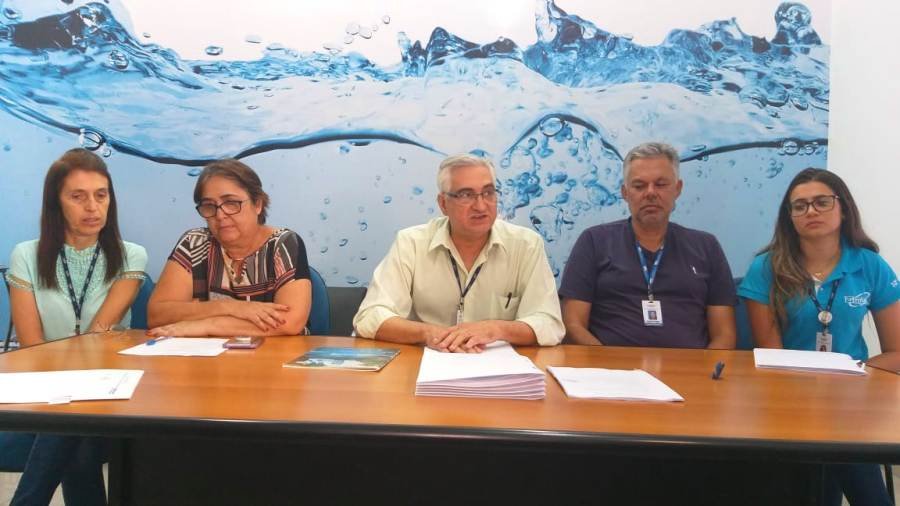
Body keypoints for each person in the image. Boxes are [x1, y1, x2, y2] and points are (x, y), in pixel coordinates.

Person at [739, 167, 898, 506]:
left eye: (822, 202)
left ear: (844, 208)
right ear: (789, 217)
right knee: (821, 478)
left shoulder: (870, 265)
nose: (811, 211)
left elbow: (897, 352)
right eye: (800, 206)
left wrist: (854, 374)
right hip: (788, 400)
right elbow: (772, 355)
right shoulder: (765, 268)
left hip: (852, 400)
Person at [5, 148, 148, 505]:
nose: (93, 207)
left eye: (101, 195)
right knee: (77, 435)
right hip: (44, 383)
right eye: (78, 197)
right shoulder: (25, 255)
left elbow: (99, 334)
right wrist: (60, 382)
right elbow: (32, 347)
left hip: (107, 384)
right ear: (56, 203)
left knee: (72, 424)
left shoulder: (132, 255)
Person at [353, 154, 564, 352]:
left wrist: (496, 329)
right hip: (426, 363)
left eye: (488, 193)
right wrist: (430, 333)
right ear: (443, 204)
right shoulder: (411, 243)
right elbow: (370, 317)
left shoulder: (526, 245)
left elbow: (549, 323)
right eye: (466, 195)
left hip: (498, 366)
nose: (480, 206)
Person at [559, 141, 737, 349]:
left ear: (678, 189)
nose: (650, 193)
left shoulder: (706, 246)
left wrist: (705, 368)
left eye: (661, 184)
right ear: (625, 192)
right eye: (639, 186)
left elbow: (724, 334)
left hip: (691, 367)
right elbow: (572, 325)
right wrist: (605, 363)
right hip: (609, 366)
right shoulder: (593, 241)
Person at [147, 159, 311, 337]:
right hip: (206, 354)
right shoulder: (194, 243)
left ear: (257, 204)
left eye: (231, 203)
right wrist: (229, 307)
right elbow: (157, 315)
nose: (220, 215)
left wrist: (208, 325)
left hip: (279, 352)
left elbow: (290, 322)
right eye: (209, 206)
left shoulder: (284, 243)